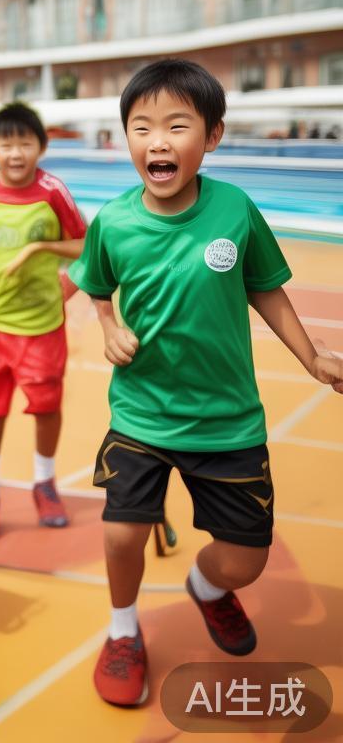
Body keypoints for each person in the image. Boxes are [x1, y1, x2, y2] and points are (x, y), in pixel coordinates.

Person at [67, 58, 343, 708]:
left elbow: (265, 290)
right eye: (141, 127)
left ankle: (210, 589)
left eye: (176, 126)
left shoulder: (236, 211)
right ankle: (123, 631)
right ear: (126, 140)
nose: (157, 141)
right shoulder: (114, 221)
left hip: (228, 421)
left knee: (245, 558)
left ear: (211, 138)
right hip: (141, 413)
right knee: (119, 533)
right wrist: (107, 326)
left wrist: (311, 356)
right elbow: (96, 288)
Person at [0, 102, 87, 545]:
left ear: (41, 147)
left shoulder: (53, 191)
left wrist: (39, 252)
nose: (15, 153)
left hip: (40, 326)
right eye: (6, 143)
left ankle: (45, 484)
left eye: (25, 143)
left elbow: (86, 244)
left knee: (46, 408)